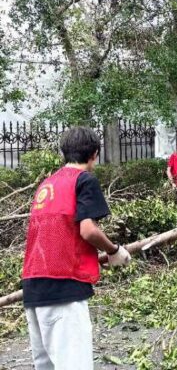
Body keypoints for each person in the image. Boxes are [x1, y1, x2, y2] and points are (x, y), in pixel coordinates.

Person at [22, 127, 131, 370]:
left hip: (33, 286)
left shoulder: (47, 184)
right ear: (95, 154)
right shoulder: (84, 180)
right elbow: (88, 230)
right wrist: (114, 251)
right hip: (64, 285)